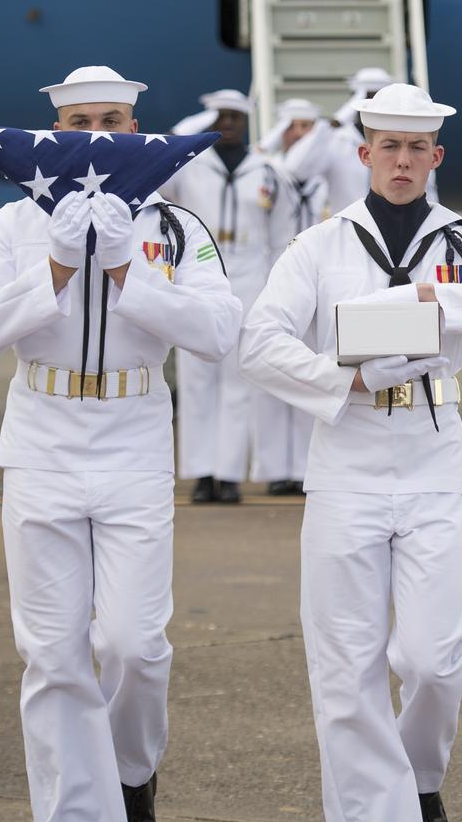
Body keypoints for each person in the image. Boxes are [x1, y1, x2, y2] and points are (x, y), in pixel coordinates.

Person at [238, 83, 462, 822]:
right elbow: (259, 342)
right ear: (365, 153)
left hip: (429, 452)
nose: (404, 161)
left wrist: (432, 299)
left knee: (433, 655)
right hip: (345, 453)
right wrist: (339, 378)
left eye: (418, 149)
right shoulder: (318, 245)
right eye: (389, 147)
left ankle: (418, 784)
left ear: (437, 157)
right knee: (345, 670)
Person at [0, 66, 242, 822]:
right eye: (80, 123)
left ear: (139, 129)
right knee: (51, 653)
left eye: (114, 121)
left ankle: (130, 773)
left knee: (134, 643)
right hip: (41, 435)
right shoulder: (11, 221)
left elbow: (221, 332)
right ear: (53, 135)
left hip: (134, 438)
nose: (97, 138)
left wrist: (127, 273)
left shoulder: (174, 227)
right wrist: (51, 266)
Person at [161, 89, 295, 503]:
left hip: (250, 275)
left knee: (239, 378)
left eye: (237, 117)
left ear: (247, 122)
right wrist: (186, 135)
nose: (230, 123)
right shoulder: (190, 165)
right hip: (198, 273)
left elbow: (282, 234)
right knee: (196, 375)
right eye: (222, 116)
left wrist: (277, 287)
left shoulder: (266, 170)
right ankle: (202, 474)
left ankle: (230, 473)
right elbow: (158, 180)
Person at [257, 98, 329, 493]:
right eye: (294, 127)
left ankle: (304, 468)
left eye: (308, 128)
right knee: (271, 375)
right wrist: (274, 139)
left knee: (311, 370)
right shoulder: (268, 171)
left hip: (316, 280)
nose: (302, 136)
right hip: (275, 275)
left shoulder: (324, 177)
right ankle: (273, 469)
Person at [282, 66, 440, 211]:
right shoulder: (336, 140)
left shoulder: (410, 145)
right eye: (367, 97)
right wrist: (334, 123)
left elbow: (429, 193)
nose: (373, 108)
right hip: (348, 233)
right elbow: (296, 169)